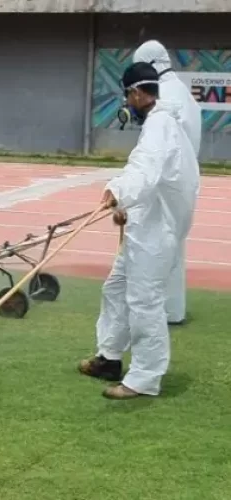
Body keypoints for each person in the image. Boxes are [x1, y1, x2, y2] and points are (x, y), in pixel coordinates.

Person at [78, 62, 200, 400]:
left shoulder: (160, 125)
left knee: (144, 303)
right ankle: (109, 359)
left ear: (136, 92)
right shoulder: (163, 124)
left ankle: (144, 379)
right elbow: (155, 179)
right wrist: (125, 209)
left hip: (157, 235)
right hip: (146, 226)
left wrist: (117, 193)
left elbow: (145, 168)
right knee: (115, 290)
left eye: (127, 95)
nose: (127, 103)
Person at [133, 40, 202, 325]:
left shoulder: (164, 97)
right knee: (173, 246)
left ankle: (157, 310)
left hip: (166, 181)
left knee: (156, 247)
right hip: (184, 178)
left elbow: (156, 147)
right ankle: (172, 310)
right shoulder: (183, 92)